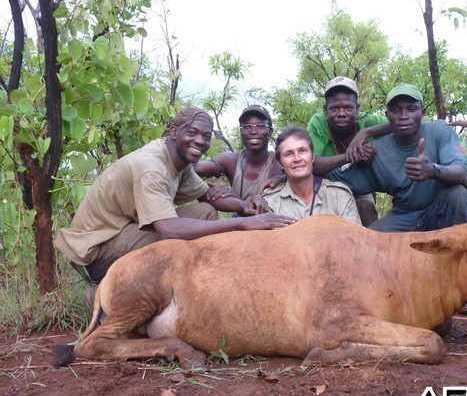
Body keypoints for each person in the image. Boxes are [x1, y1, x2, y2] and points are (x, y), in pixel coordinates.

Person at [55, 107, 296, 286]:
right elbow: (169, 229)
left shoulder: (179, 163)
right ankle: (114, 290)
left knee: (205, 213)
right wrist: (243, 223)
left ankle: (193, 286)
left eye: (206, 136)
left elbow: (208, 197)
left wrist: (244, 206)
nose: (200, 141)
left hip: (125, 232)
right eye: (192, 133)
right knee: (181, 235)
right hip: (98, 250)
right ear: (173, 131)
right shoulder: (151, 167)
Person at [329, 83, 467, 233]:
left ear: (422, 112)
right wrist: (348, 157)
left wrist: (434, 170)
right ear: (387, 115)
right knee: (370, 239)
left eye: (411, 109)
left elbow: (463, 174)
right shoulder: (377, 149)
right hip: (404, 216)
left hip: (439, 209)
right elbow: (334, 176)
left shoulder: (439, 131)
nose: (403, 116)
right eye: (396, 111)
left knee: (457, 195)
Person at [307, 76, 391, 226]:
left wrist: (365, 132)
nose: (341, 113)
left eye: (348, 108)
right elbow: (311, 163)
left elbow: (401, 123)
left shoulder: (367, 121)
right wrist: (350, 155)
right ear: (325, 110)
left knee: (365, 207)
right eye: (334, 108)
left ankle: (371, 244)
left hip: (360, 186)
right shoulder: (318, 122)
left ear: (357, 109)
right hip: (326, 184)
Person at [262, 125, 361, 224]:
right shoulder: (270, 201)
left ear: (313, 157)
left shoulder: (339, 195)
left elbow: (355, 238)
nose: (297, 159)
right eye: (289, 154)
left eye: (302, 151)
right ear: (280, 163)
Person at [194, 105, 283, 199]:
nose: (253, 131)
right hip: (238, 214)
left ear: (270, 131)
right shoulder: (230, 160)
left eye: (260, 126)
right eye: (247, 127)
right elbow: (194, 168)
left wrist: (282, 178)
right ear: (241, 131)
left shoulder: (280, 162)